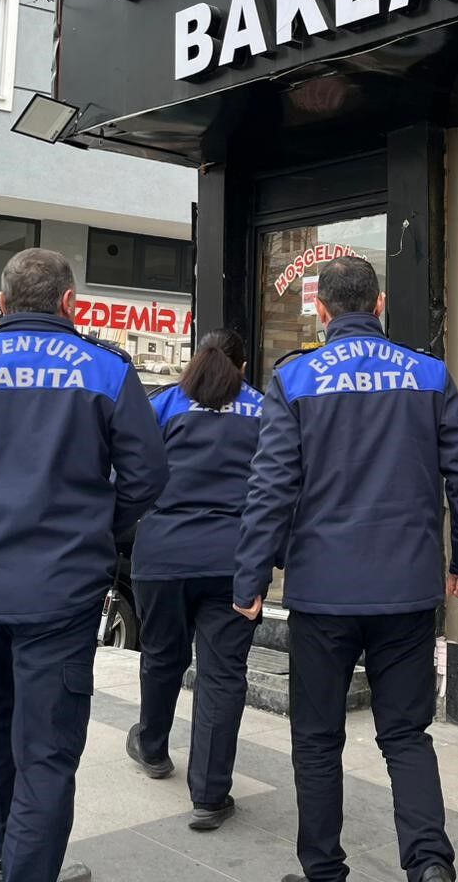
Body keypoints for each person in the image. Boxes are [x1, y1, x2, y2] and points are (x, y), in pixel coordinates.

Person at [0, 248, 166, 882]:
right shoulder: (105, 369)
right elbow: (148, 476)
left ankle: (1, 856)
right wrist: (98, 526)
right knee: (47, 746)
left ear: (1, 303)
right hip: (60, 589)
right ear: (70, 303)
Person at [234, 256, 458, 882]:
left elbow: (270, 487)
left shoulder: (295, 379)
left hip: (323, 592)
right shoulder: (429, 374)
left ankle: (323, 870)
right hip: (407, 589)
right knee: (406, 735)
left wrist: (251, 577)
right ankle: (430, 864)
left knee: (317, 738)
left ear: (321, 311)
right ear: (379, 306)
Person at [126, 329, 265, 831]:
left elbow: (133, 472)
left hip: (162, 555)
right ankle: (209, 795)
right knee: (222, 675)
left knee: (162, 656)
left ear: (196, 358)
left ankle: (152, 746)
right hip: (233, 559)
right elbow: (279, 485)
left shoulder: (164, 404)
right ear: (243, 366)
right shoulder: (264, 409)